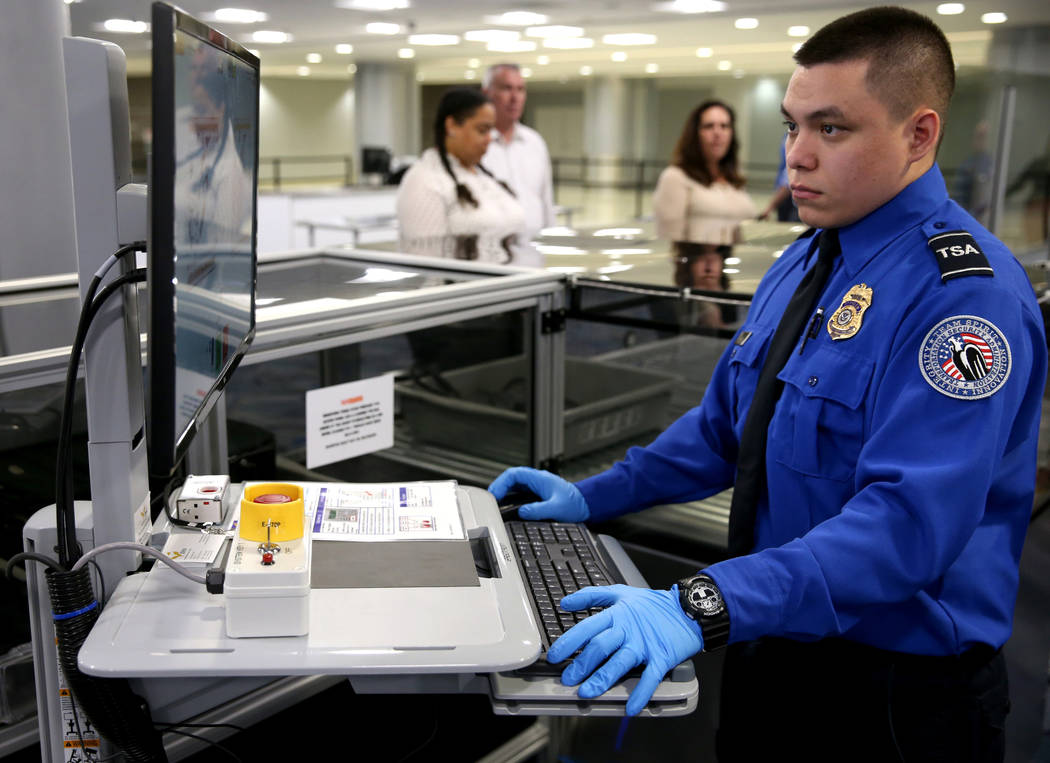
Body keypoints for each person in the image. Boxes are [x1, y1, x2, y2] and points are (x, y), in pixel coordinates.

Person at [489, 7, 1046, 762]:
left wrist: (704, 601)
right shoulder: (806, 258)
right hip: (774, 642)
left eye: (832, 129)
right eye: (791, 127)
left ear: (919, 135)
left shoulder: (965, 300)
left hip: (894, 692)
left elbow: (906, 526)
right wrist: (595, 493)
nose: (796, 160)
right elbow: (725, 426)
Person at [396, 87, 526, 264]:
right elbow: (424, 263)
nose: (490, 139)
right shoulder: (424, 179)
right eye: (482, 130)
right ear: (451, 126)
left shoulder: (483, 177)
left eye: (491, 131)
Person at [651, 100, 757, 247]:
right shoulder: (675, 177)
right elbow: (669, 239)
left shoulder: (733, 180)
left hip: (729, 264)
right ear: (695, 134)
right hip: (693, 266)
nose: (717, 133)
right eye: (709, 126)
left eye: (724, 126)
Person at [480, 63, 556, 267]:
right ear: (487, 93)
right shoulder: (478, 146)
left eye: (520, 89)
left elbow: (546, 202)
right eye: (506, 88)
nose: (515, 98)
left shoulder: (535, 143)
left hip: (534, 257)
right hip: (491, 259)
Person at [758, 137, 801, 222]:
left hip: (792, 202)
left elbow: (787, 182)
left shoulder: (797, 139)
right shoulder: (787, 137)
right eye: (791, 126)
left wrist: (769, 208)